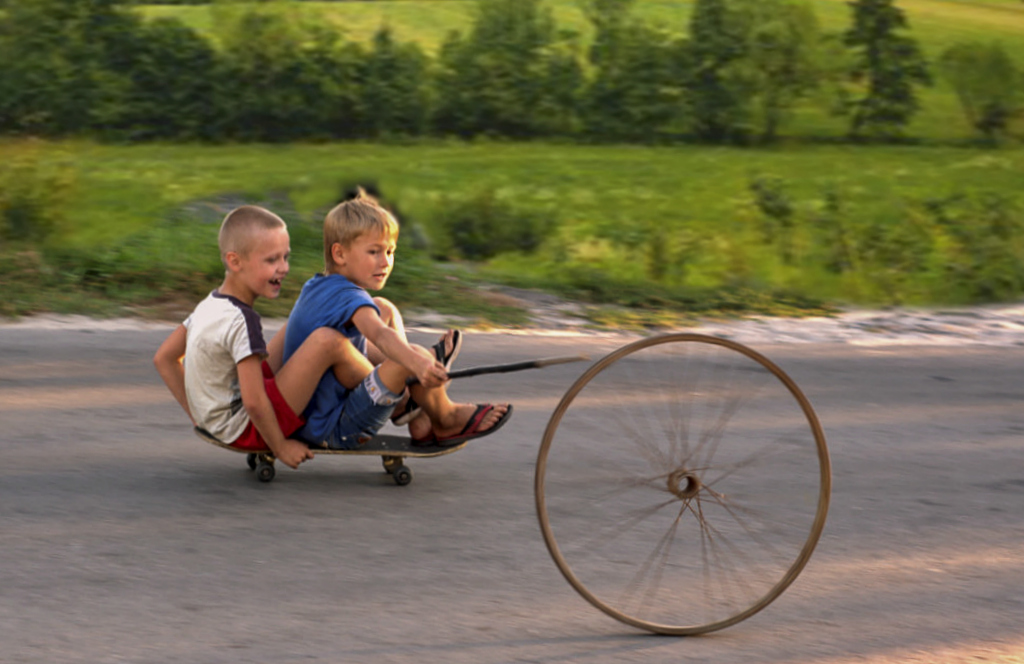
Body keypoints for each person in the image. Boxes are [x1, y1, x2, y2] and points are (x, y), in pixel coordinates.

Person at [275, 188, 513, 450]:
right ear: (340, 254)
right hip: (330, 427)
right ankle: (444, 417)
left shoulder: (319, 285)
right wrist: (416, 363)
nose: (385, 262)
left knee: (384, 308)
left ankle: (413, 408)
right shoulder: (349, 298)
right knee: (408, 356)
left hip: (313, 415)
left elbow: (378, 325)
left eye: (390, 252)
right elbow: (379, 334)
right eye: (374, 252)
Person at [153, 205, 370, 470]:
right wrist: (280, 447)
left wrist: (199, 416)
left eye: (285, 257)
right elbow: (254, 402)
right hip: (247, 428)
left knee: (299, 327)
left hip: (225, 420)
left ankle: (370, 364)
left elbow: (164, 358)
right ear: (235, 261)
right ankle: (392, 391)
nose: (284, 268)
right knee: (327, 341)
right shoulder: (243, 321)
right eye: (271, 260)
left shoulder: (209, 305)